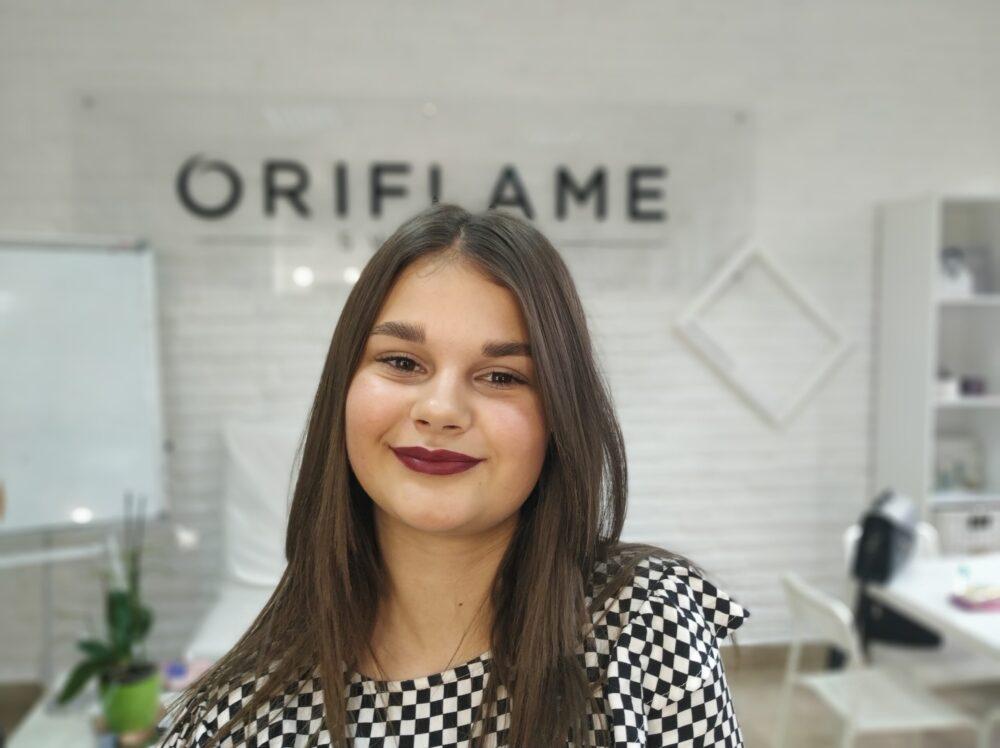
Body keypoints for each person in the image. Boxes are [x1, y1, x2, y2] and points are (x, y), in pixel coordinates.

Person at [157, 203, 749, 748]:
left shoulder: (643, 625)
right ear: (343, 387)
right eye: (402, 362)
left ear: (559, 416)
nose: (440, 410)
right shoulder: (234, 720)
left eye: (501, 376)